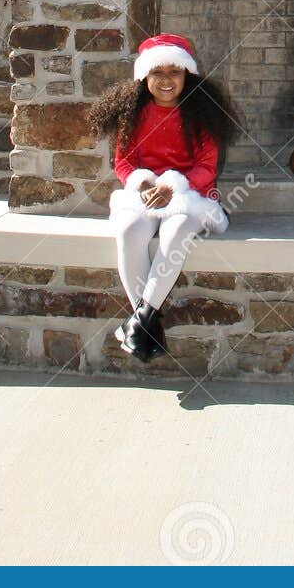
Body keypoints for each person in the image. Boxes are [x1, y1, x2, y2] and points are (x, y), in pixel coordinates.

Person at [89, 32, 236, 362]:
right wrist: (143, 184)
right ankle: (146, 326)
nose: (166, 80)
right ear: (145, 75)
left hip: (190, 195)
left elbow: (207, 167)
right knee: (129, 231)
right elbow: (124, 162)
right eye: (158, 72)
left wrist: (174, 186)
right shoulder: (133, 113)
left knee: (176, 230)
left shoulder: (201, 112)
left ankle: (138, 324)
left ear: (186, 74)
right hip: (146, 194)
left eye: (174, 72)